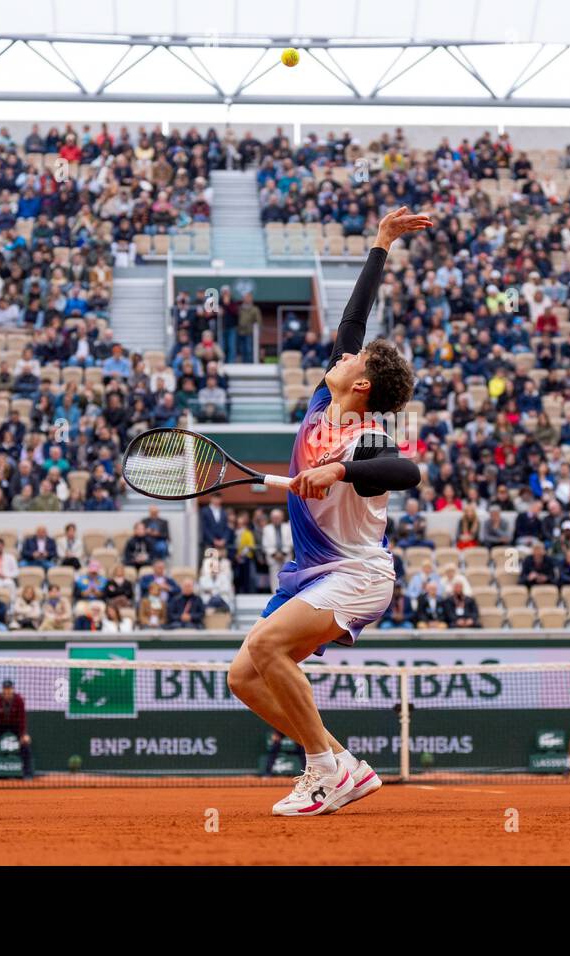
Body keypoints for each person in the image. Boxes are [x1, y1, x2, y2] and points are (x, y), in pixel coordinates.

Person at [226, 206, 429, 817]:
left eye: (353, 360)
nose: (343, 354)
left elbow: (407, 472)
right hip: (313, 573)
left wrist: (335, 470)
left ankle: (322, 768)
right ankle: (342, 765)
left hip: (361, 574)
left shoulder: (364, 438)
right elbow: (353, 320)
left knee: (268, 651)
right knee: (243, 677)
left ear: (362, 386)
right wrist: (380, 245)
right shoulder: (323, 400)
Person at [0, 679, 33, 780]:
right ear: (2, 690)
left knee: (25, 745)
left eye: (9, 689)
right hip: (0, 726)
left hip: (16, 726)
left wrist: (23, 734)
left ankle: (28, 774)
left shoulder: (19, 700)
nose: (7, 691)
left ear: (12, 690)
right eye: (5, 689)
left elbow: (22, 718)